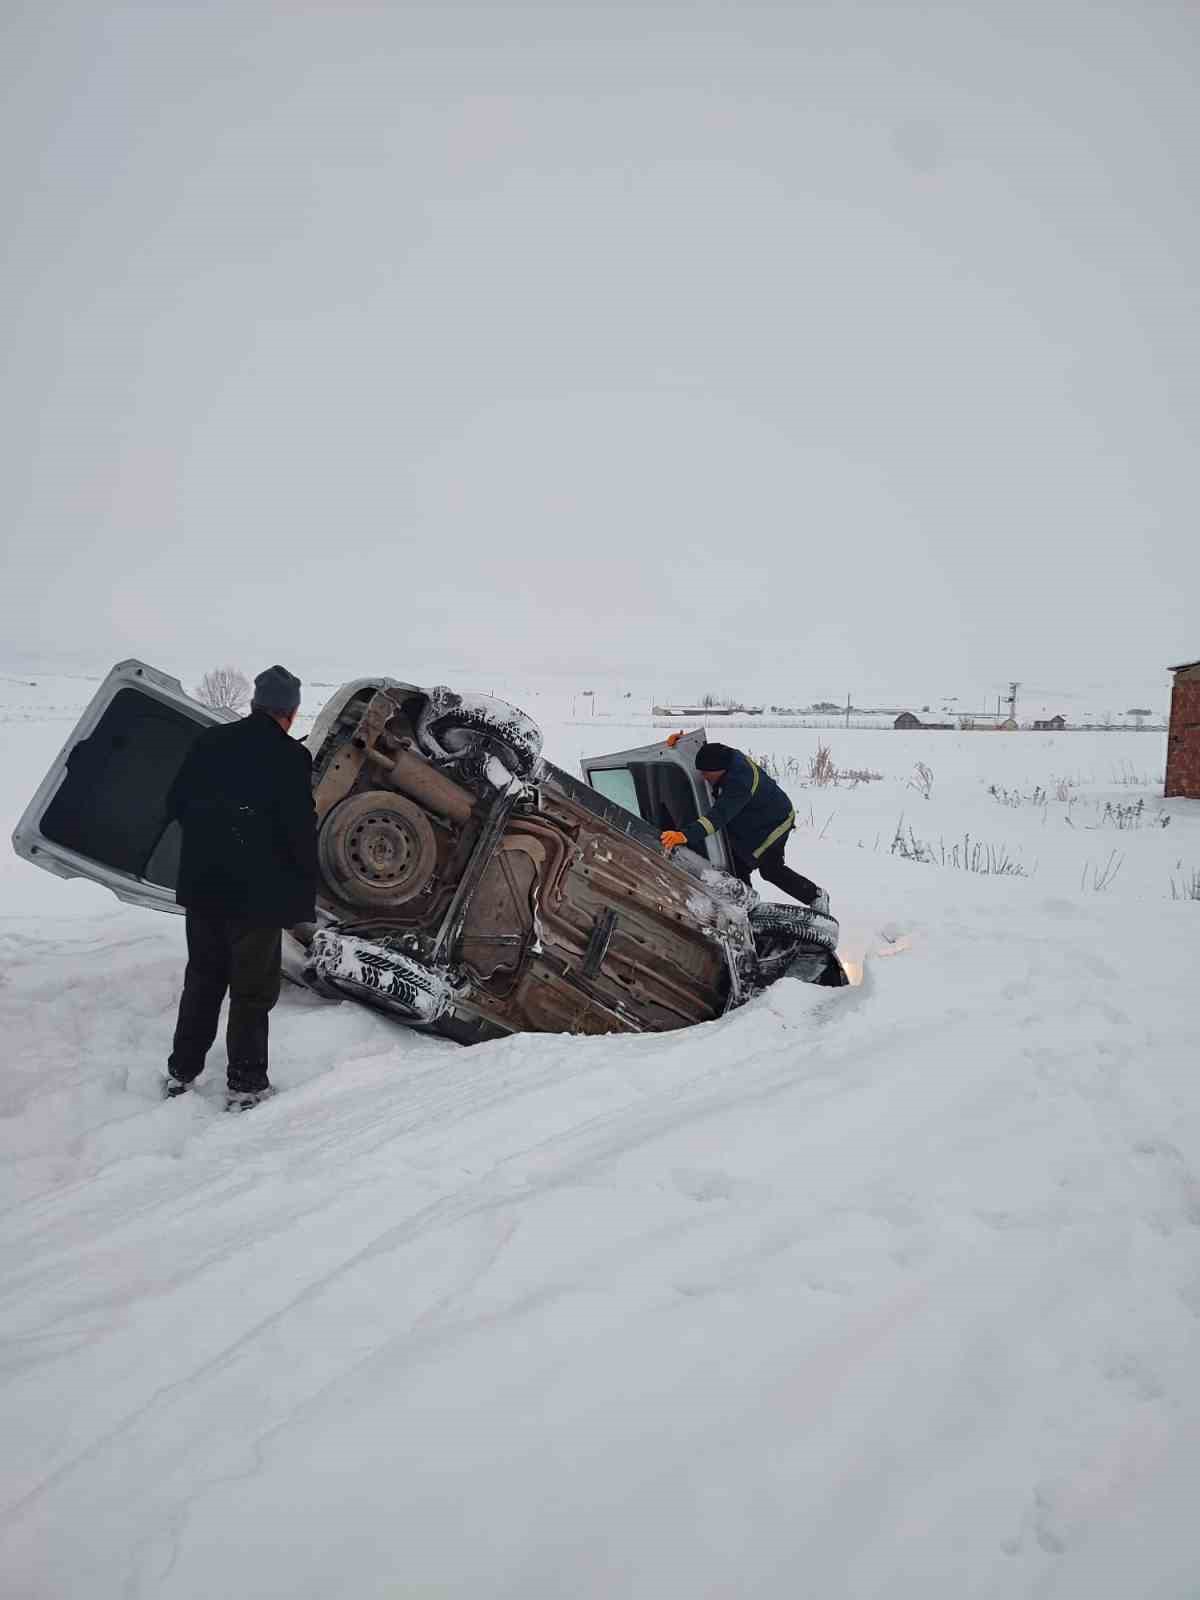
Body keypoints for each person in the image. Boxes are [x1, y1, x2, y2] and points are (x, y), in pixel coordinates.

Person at [163, 665, 318, 1109]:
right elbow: (298, 829)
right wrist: (306, 882)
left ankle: (181, 1073)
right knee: (251, 991)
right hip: (256, 897)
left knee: (203, 979)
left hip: (205, 887)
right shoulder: (290, 756)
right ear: (290, 713)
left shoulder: (209, 741)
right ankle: (246, 1086)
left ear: (254, 703)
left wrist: (210, 836)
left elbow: (176, 804)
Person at [659, 738, 827, 909]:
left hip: (775, 821)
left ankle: (815, 896)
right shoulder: (725, 756)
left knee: (765, 868)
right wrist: (680, 743)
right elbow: (706, 750)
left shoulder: (740, 783)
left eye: (705, 773)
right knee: (735, 862)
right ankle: (744, 908)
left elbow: (716, 818)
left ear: (719, 770)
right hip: (752, 816)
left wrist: (684, 835)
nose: (702, 776)